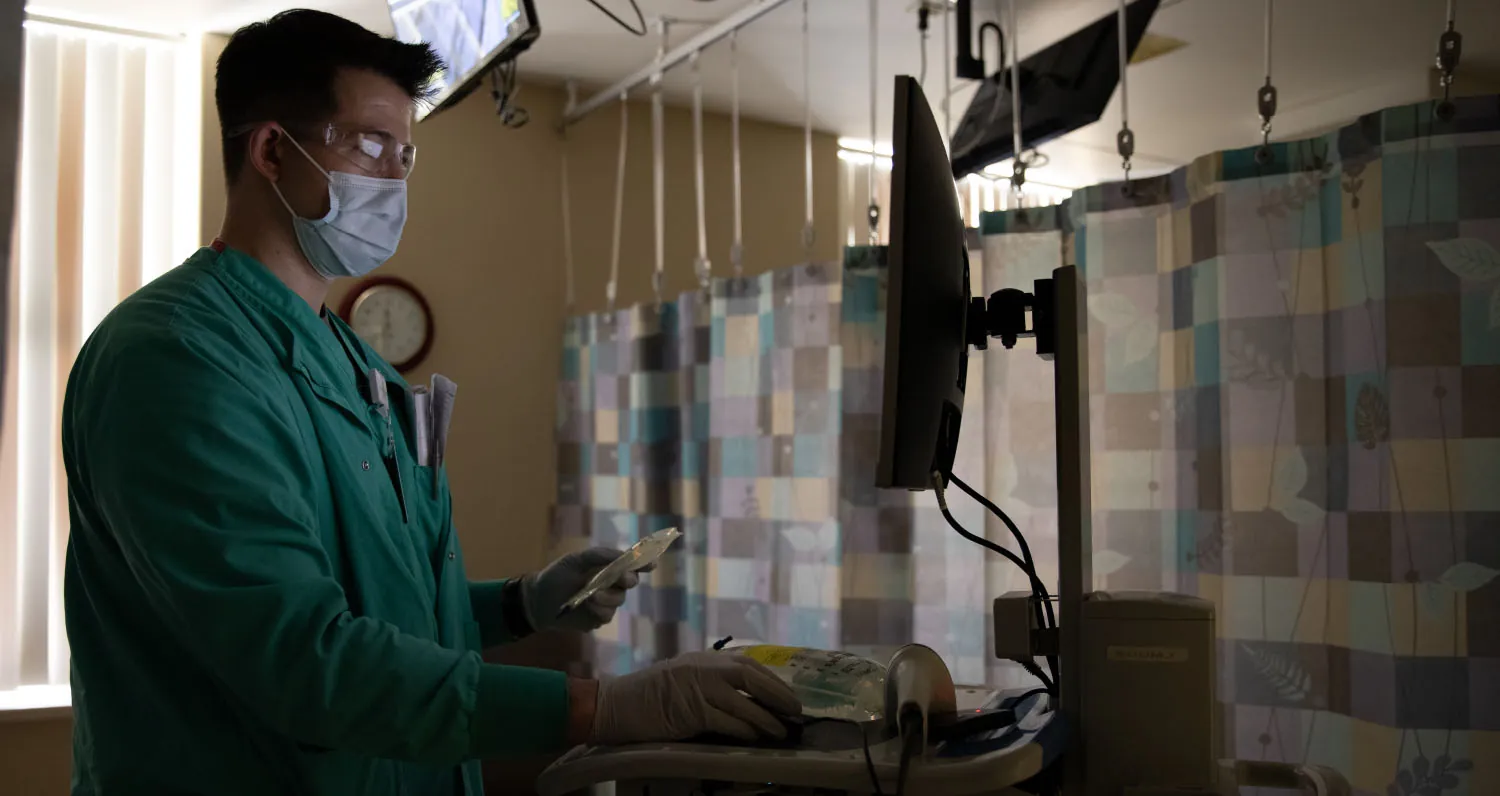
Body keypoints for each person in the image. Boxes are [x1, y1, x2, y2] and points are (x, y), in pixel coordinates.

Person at [61, 10, 798, 795]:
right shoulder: (178, 359)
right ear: (273, 149)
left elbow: (383, 612)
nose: (396, 178)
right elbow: (302, 658)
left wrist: (521, 605)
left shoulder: (352, 361)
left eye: (406, 154)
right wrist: (603, 708)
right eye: (372, 145)